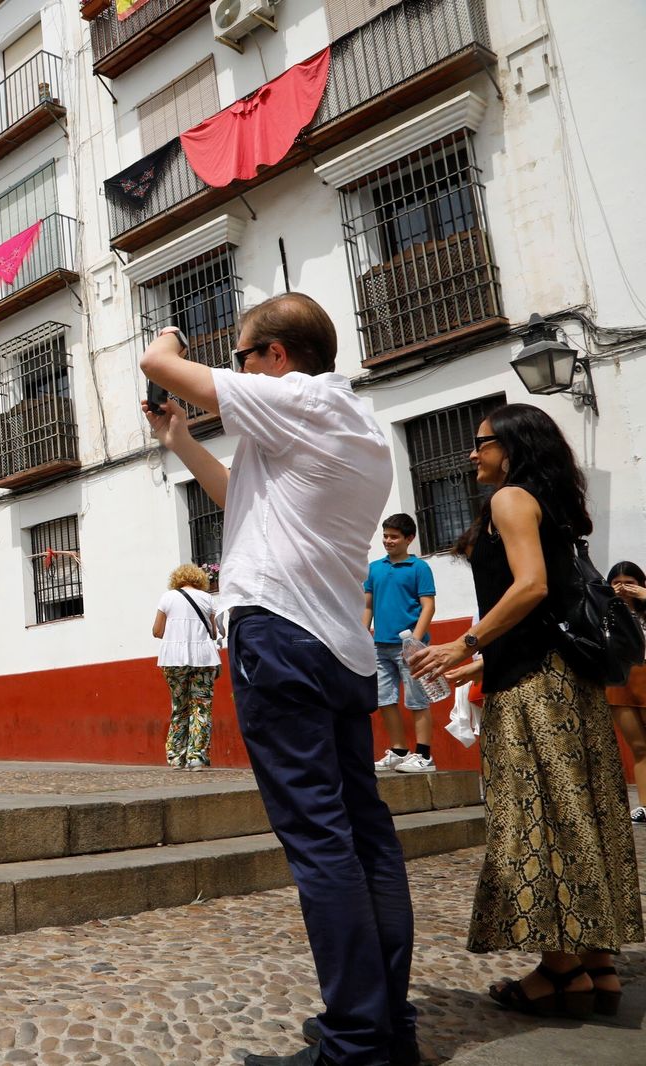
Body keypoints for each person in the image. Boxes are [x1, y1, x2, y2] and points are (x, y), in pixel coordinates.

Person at [141, 294, 416, 1066]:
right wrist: (181, 440)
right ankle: (386, 1025)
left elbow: (157, 362)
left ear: (276, 357)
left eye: (239, 357)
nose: (233, 372)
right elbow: (243, 502)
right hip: (339, 650)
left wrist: (166, 336)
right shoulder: (350, 424)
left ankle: (356, 1041)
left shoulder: (295, 399)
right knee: (366, 837)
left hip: (280, 636)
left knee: (319, 840)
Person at [414, 406, 643, 1019]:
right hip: (564, 681)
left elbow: (532, 588)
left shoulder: (511, 499)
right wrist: (481, 665)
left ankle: (557, 972)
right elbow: (551, 615)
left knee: (536, 817)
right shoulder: (551, 506)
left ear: (511, 447)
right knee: (582, 810)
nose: (471, 454)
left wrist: (465, 643)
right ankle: (597, 963)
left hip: (536, 692)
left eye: (481, 443)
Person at [365, 513, 438, 773]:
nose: (388, 541)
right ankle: (398, 751)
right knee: (384, 699)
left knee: (417, 700)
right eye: (385, 536)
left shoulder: (420, 568)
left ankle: (425, 756)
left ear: (409, 539)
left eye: (394, 536)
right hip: (379, 647)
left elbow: (428, 606)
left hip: (410, 648)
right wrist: (363, 634)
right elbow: (368, 605)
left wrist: (415, 641)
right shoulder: (375, 568)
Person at [152, 562, 220, 770]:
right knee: (201, 707)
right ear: (200, 580)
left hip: (173, 659)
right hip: (203, 658)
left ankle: (175, 757)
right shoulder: (208, 599)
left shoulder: (167, 598)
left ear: (177, 579)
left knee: (179, 707)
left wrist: (175, 634)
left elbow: (156, 630)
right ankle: (196, 758)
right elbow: (214, 633)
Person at [603, 561, 646, 823]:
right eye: (617, 583)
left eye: (629, 582)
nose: (623, 588)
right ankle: (644, 804)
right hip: (620, 681)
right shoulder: (604, 612)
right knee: (639, 747)